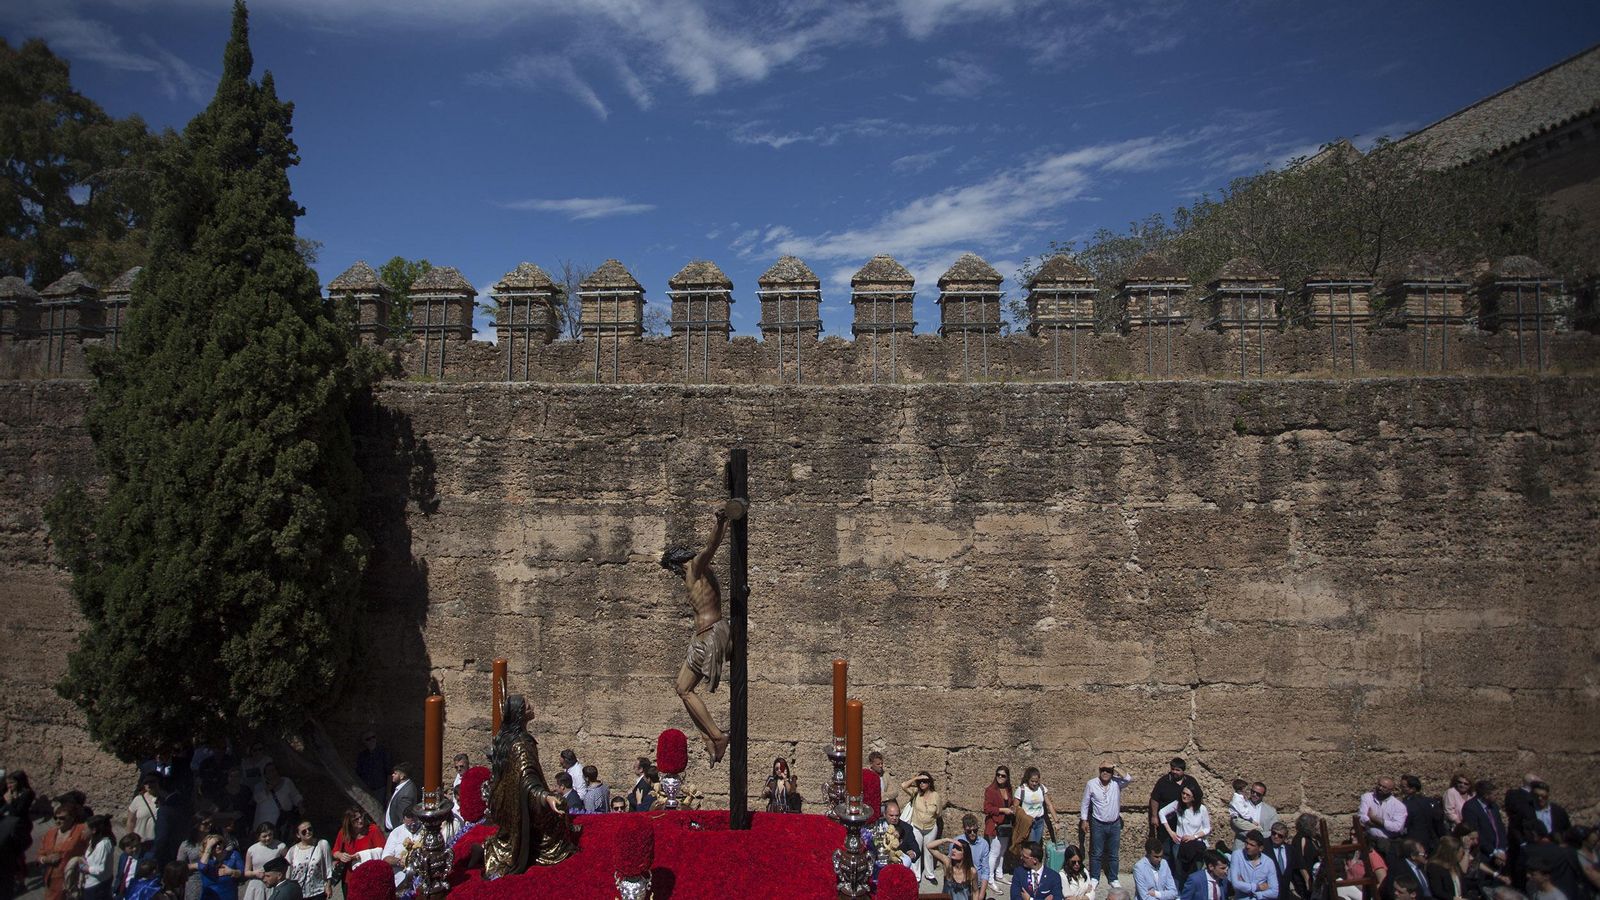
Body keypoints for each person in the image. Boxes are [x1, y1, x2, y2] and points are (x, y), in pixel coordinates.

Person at [661, 506, 733, 765]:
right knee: (681, 688)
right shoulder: (699, 574)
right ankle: (708, 738)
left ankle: (717, 735)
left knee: (685, 690)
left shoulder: (694, 568)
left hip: (709, 634)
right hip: (708, 633)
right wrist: (724, 524)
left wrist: (719, 522)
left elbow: (710, 548)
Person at [482, 694, 577, 876]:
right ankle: (537, 847)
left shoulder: (520, 740)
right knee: (560, 811)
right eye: (527, 706)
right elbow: (527, 781)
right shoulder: (520, 745)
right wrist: (547, 797)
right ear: (519, 714)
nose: (531, 707)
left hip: (522, 800)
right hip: (523, 805)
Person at [1082, 764, 1133, 888]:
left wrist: (1114, 766)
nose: (1105, 773)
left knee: (1113, 853)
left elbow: (1128, 779)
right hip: (1098, 823)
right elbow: (1085, 803)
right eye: (1103, 770)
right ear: (1099, 771)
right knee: (1096, 852)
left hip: (1114, 823)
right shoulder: (1091, 784)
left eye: (1108, 771)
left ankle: (1113, 878)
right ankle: (1094, 877)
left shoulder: (1116, 783)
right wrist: (1084, 820)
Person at [1152, 759, 1203, 872]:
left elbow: (1198, 796)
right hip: (1167, 823)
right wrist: (1154, 816)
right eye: (1173, 769)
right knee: (1166, 851)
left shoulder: (1190, 781)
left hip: (1183, 824)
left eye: (1177, 770)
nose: (1174, 772)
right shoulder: (1163, 781)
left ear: (1183, 771)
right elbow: (1155, 799)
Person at [1160, 785, 1212, 884]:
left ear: (1193, 797)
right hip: (1180, 844)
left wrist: (1194, 836)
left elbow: (1207, 828)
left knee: (1195, 872)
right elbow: (1162, 813)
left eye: (1187, 794)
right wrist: (1171, 832)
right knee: (1180, 872)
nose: (1184, 796)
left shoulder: (1202, 809)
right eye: (1183, 793)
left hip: (1196, 845)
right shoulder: (1178, 805)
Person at [40, 796, 89, 900]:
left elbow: (92, 847)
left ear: (72, 818)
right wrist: (45, 859)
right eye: (55, 818)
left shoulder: (81, 831)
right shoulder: (50, 834)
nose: (58, 821)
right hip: (52, 879)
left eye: (62, 818)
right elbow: (41, 853)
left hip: (71, 880)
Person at [901, 772, 944, 884]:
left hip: (930, 827)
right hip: (917, 826)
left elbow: (939, 813)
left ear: (930, 783)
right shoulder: (916, 793)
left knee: (929, 851)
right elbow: (903, 786)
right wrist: (916, 777)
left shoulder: (936, 796)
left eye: (924, 781)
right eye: (920, 782)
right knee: (916, 850)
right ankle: (916, 876)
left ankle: (930, 874)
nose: (922, 784)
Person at [1463, 781, 1509, 869]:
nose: (1497, 797)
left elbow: (1500, 828)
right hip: (1484, 854)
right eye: (1494, 794)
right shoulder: (1470, 808)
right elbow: (1475, 833)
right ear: (1486, 795)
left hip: (1499, 853)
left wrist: (1501, 850)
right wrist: (1493, 852)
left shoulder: (1493, 806)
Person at [1360, 778, 1409, 858]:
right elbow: (1362, 817)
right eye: (1379, 785)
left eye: (1384, 787)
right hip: (1370, 839)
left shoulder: (1398, 806)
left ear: (1391, 790)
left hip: (1388, 842)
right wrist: (1382, 825)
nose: (1380, 788)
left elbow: (1397, 827)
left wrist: (1374, 818)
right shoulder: (1367, 797)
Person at [253, 766, 303, 841]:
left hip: (284, 820)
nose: (272, 773)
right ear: (265, 775)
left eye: (273, 770)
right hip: (266, 822)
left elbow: (295, 795)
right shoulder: (260, 786)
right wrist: (268, 789)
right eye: (269, 771)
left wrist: (300, 806)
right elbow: (257, 799)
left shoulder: (286, 782)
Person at [283, 823, 330, 900]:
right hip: (298, 893)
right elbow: (288, 872)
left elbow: (328, 867)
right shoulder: (293, 850)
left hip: (317, 891)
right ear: (298, 835)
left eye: (310, 829)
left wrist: (328, 886)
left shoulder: (322, 844)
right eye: (304, 831)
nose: (308, 832)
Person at [1401, 777, 1448, 854]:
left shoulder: (1406, 804)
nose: (1401, 789)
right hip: (1430, 838)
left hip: (1414, 839)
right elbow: (1438, 820)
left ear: (1412, 788)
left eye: (1403, 787)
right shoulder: (1431, 801)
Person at [330, 809, 382, 879]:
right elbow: (334, 852)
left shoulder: (373, 830)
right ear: (349, 822)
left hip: (371, 875)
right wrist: (340, 855)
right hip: (350, 877)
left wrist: (361, 855)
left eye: (361, 817)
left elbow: (383, 851)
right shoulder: (343, 832)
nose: (360, 821)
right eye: (356, 819)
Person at [986, 766, 1017, 884]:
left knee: (1002, 851)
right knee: (994, 852)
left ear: (1007, 777)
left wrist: (1012, 808)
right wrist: (1003, 810)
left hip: (1006, 824)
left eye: (1003, 775)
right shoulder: (990, 790)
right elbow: (987, 808)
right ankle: (990, 877)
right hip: (995, 824)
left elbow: (1010, 803)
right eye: (998, 774)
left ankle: (999, 873)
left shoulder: (1008, 789)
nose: (1000, 777)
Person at [1229, 831, 1279, 900]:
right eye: (1246, 843)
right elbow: (1235, 884)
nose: (1247, 846)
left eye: (1252, 845)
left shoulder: (1268, 862)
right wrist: (1258, 887)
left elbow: (1274, 892)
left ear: (1260, 848)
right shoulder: (1237, 855)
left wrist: (1257, 894)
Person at [77, 815, 117, 900]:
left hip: (97, 886)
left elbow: (100, 869)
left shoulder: (103, 845)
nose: (83, 831)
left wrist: (85, 868)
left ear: (94, 830)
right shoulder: (94, 840)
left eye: (85, 829)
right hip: (90, 883)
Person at [197, 830, 244, 900]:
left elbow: (243, 873)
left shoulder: (233, 855)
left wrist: (232, 872)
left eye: (219, 843)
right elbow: (202, 867)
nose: (218, 846)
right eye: (214, 845)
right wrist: (209, 846)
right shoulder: (205, 860)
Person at [1018, 768, 1059, 846]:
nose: (1034, 783)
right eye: (1032, 781)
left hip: (1039, 821)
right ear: (1027, 779)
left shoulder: (1041, 788)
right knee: (1031, 846)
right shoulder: (1021, 790)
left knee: (1036, 846)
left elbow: (1049, 805)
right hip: (1028, 822)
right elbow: (1016, 807)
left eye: (1036, 781)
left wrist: (1056, 822)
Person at [1231, 784, 1277, 848]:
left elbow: (1273, 831)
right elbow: (1234, 823)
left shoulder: (1271, 811)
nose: (1254, 795)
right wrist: (1251, 835)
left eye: (1258, 794)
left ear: (1263, 795)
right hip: (1241, 846)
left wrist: (1258, 836)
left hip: (1262, 848)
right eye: (1253, 792)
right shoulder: (1240, 804)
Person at [126, 777, 161, 849]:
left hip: (156, 843)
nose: (149, 785)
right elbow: (130, 821)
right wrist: (130, 841)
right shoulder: (138, 799)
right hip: (139, 843)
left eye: (152, 782)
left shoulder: (164, 800)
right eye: (146, 783)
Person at [354, 735, 390, 803]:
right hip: (366, 790)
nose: (372, 740)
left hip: (380, 789)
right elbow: (358, 773)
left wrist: (388, 792)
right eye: (368, 739)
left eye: (373, 737)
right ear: (364, 742)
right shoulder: (362, 756)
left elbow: (389, 773)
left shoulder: (383, 753)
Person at [382, 766, 417, 834]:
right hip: (392, 831)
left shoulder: (406, 793)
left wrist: (399, 835)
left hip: (397, 832)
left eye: (395, 773)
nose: (392, 775)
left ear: (402, 776)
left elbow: (403, 817)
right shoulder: (401, 787)